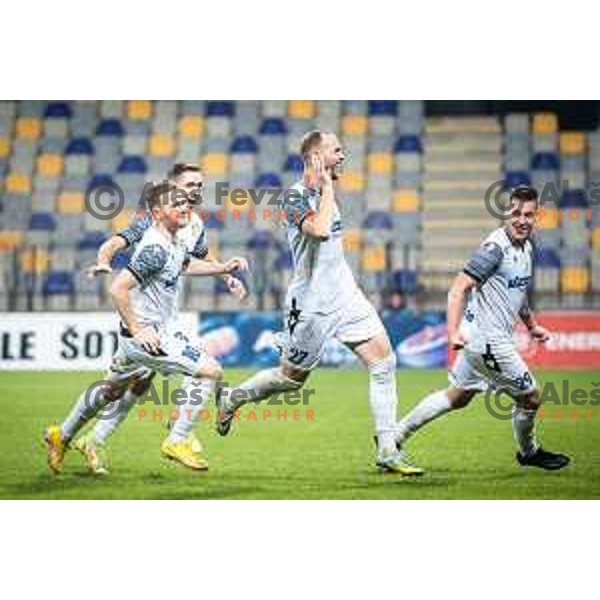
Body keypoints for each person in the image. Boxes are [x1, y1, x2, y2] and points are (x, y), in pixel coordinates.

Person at [215, 130, 423, 475]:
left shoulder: (327, 192)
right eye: (336, 151)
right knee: (291, 379)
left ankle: (387, 448)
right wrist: (327, 188)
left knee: (384, 363)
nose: (342, 156)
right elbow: (321, 230)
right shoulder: (294, 198)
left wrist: (327, 188)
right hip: (310, 304)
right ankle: (232, 398)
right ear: (315, 157)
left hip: (345, 295)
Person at [44, 181, 246, 474]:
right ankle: (177, 439)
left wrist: (223, 268)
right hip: (148, 336)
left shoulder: (174, 241)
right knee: (211, 370)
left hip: (135, 339)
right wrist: (139, 329)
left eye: (186, 202)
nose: (185, 206)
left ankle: (61, 435)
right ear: (156, 213)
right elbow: (117, 289)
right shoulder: (154, 248)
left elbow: (185, 264)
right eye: (176, 204)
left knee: (110, 392)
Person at [395, 185, 570, 471]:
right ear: (504, 214)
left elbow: (518, 291)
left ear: (536, 217)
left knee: (457, 396)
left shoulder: (526, 246)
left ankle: (394, 437)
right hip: (487, 341)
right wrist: (452, 332)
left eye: (528, 214)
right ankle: (529, 452)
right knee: (531, 397)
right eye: (516, 213)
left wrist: (532, 325)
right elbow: (458, 289)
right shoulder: (494, 249)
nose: (522, 220)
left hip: (483, 336)